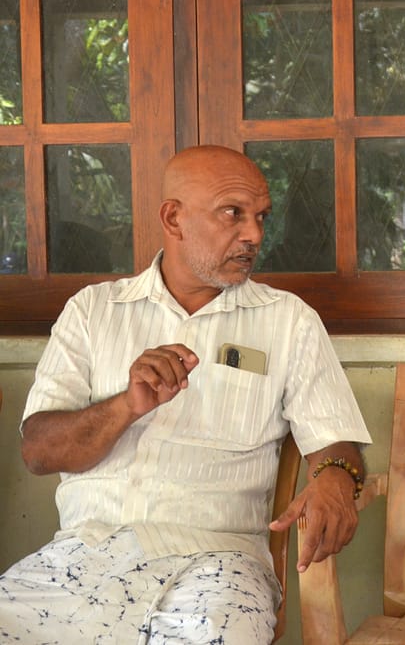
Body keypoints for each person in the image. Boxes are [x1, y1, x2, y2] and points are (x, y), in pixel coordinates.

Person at [0, 145, 372, 643]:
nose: (254, 234)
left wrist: (335, 479)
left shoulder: (289, 321)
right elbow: (40, 452)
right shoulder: (93, 310)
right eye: (233, 214)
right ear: (173, 219)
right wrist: (126, 405)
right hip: (86, 556)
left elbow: (337, 444)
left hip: (221, 566)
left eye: (260, 216)